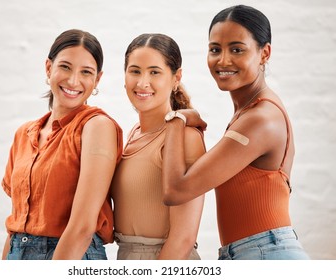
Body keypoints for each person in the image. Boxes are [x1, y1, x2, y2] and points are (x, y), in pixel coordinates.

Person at [162, 5, 310, 260]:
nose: (223, 60)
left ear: (265, 53)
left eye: (237, 49)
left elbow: (176, 191)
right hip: (253, 253)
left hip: (266, 254)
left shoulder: (260, 119)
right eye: (215, 49)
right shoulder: (250, 112)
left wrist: (176, 119)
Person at [1, 29, 123, 260]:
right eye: (65, 67)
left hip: (71, 256)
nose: (73, 80)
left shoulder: (96, 126)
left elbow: (83, 227)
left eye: (86, 72)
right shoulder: (24, 134)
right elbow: (16, 223)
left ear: (97, 79)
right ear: (49, 68)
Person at [110, 33, 206, 260]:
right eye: (135, 71)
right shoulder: (133, 134)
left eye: (154, 72)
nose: (142, 83)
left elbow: (183, 238)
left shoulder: (185, 137)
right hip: (126, 256)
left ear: (176, 78)